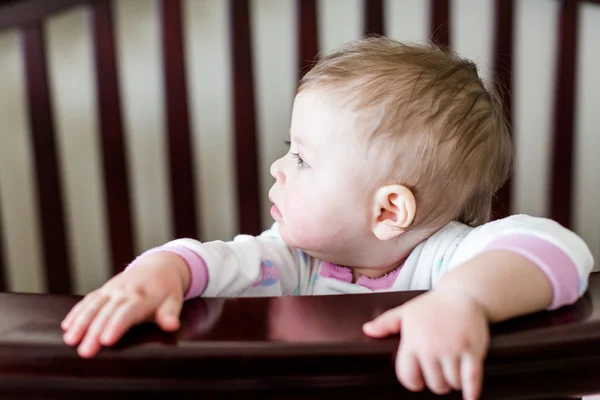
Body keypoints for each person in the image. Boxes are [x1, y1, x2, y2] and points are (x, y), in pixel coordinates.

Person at [61, 37, 594, 400]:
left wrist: (463, 301)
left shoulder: (447, 260)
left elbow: (559, 250)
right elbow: (218, 261)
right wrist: (163, 272)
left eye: (301, 157)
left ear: (388, 209)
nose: (278, 167)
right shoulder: (290, 264)